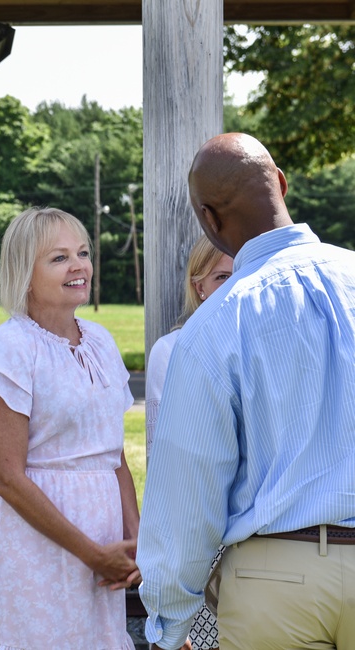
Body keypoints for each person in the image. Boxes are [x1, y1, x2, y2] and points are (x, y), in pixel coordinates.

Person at [138, 132, 355, 650]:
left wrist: (169, 623)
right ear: (281, 183)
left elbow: (188, 491)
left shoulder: (215, 324)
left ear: (209, 220)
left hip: (277, 581)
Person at [0, 207, 140, 649]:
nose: (79, 265)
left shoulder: (100, 340)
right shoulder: (10, 349)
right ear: (25, 273)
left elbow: (112, 455)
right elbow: (7, 479)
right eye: (59, 258)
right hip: (33, 541)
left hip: (101, 537)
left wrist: (136, 541)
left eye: (82, 252)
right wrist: (91, 553)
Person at [144, 235, 233, 650]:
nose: (234, 286)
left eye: (241, 275)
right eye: (221, 277)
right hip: (203, 527)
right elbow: (171, 463)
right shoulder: (173, 349)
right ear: (198, 285)